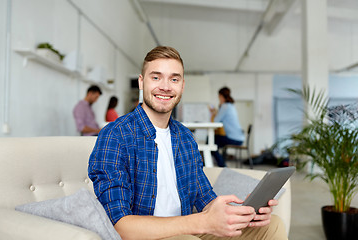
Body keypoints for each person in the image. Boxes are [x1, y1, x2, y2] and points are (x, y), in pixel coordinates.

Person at [88, 46, 287, 240]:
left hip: (189, 229)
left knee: (272, 225)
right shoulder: (116, 135)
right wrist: (203, 222)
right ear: (141, 82)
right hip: (147, 235)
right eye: (156, 77)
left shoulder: (185, 138)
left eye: (174, 79)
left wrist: (243, 211)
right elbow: (122, 227)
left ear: (182, 85)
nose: (165, 86)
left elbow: (205, 200)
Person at [209, 87, 245, 167]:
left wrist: (213, 113)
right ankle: (221, 164)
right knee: (214, 141)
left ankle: (222, 166)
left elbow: (216, 121)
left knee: (210, 141)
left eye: (219, 97)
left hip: (234, 138)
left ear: (221, 96)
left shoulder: (225, 106)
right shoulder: (230, 106)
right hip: (239, 138)